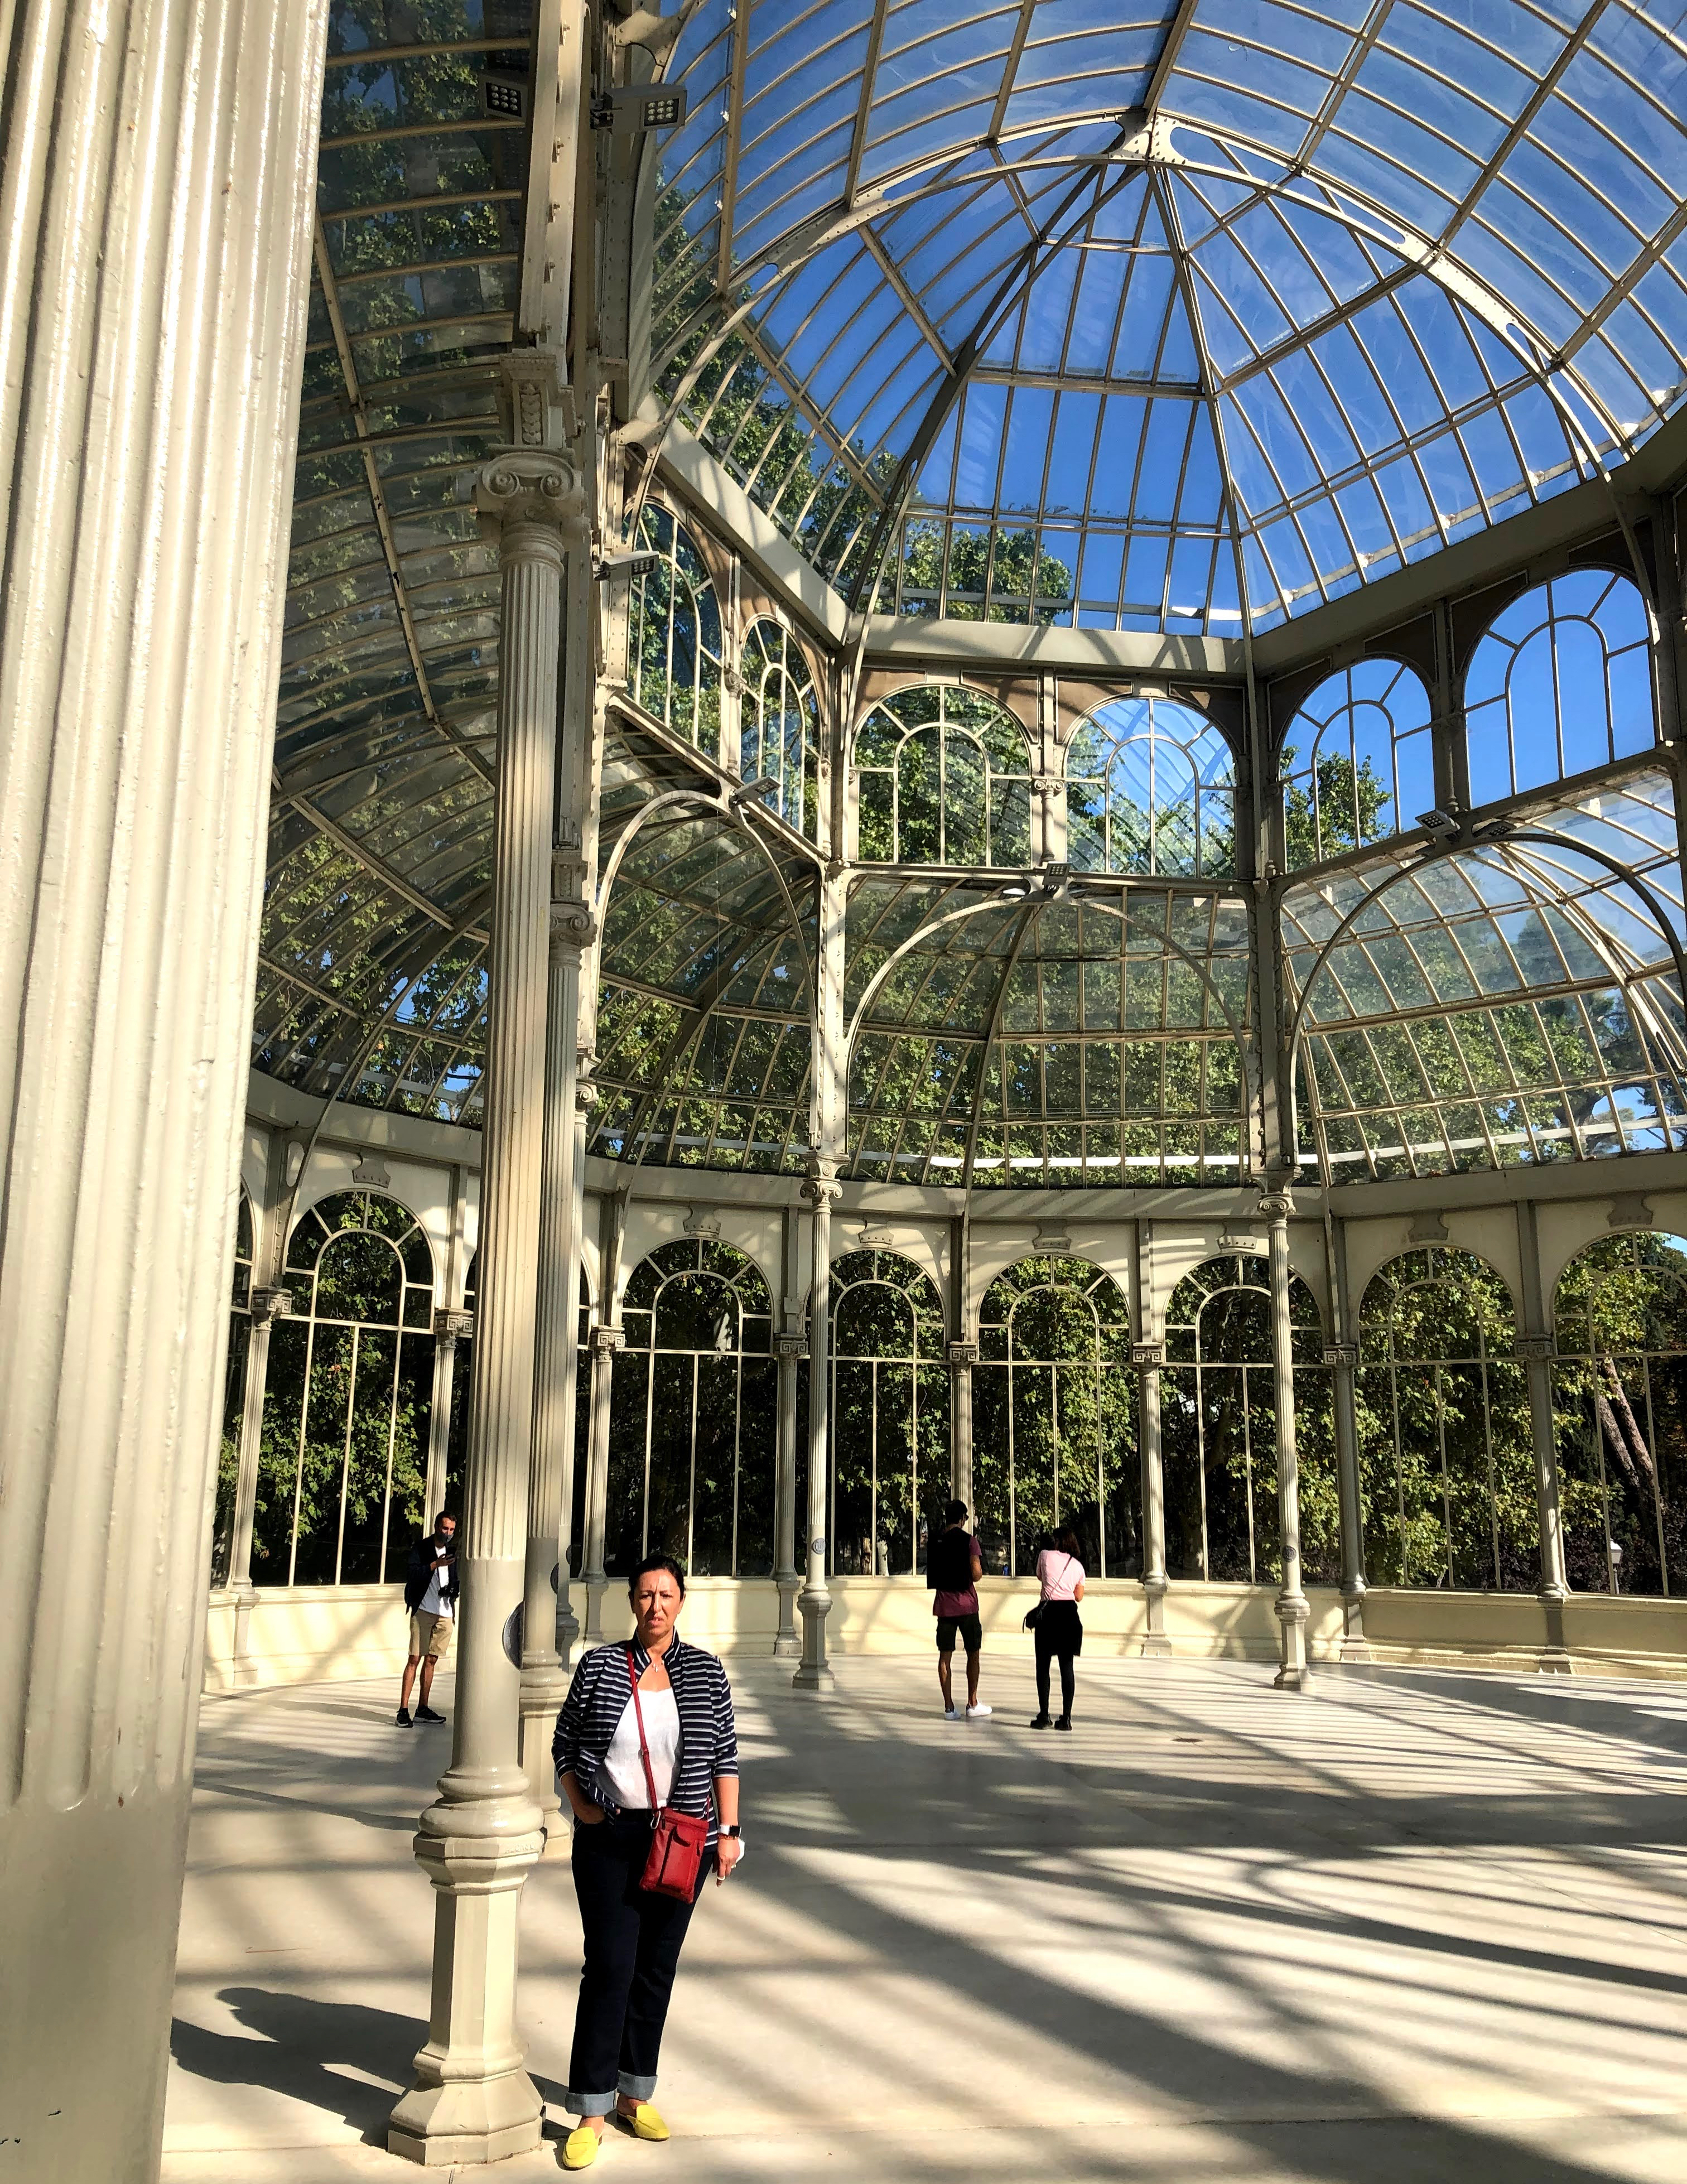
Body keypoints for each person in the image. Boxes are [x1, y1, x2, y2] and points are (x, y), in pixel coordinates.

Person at [552, 1553, 743, 2171]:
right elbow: (565, 1741)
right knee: (609, 1967)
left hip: (682, 1841)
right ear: (631, 1603)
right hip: (611, 1836)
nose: (655, 1606)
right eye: (644, 1596)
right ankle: (590, 2109)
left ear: (681, 1602)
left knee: (656, 1969)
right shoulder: (602, 1666)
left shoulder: (707, 1673)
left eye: (665, 1595)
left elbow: (725, 1759)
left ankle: (635, 2093)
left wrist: (730, 1832)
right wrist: (581, 1804)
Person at [927, 1499, 990, 1720]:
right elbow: (976, 1574)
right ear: (963, 1519)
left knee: (945, 1656)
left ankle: (948, 1708)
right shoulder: (970, 1541)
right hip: (967, 1604)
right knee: (973, 1653)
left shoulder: (936, 1541)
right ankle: (972, 1703)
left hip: (944, 1606)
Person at [397, 1511, 456, 1727]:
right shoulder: (421, 1548)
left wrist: (453, 1591)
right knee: (415, 1658)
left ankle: (423, 1707)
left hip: (445, 1611)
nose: (448, 1533)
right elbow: (412, 1574)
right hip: (423, 1608)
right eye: (444, 1528)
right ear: (436, 1526)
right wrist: (434, 1565)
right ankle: (403, 1709)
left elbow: (454, 1577)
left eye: (451, 1530)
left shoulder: (452, 1551)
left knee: (432, 1659)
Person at [1030, 1526, 1085, 1731]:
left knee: (1043, 1666)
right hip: (1069, 1615)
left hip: (1049, 1615)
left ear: (1058, 1541)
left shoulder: (1044, 1555)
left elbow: (1040, 1577)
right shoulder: (1078, 1566)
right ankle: (1067, 1718)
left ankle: (1044, 1715)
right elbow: (1079, 1596)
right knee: (1067, 1667)